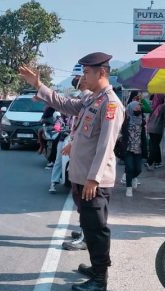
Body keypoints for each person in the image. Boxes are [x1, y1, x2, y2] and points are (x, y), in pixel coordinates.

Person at [19, 52, 124, 291]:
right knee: (88, 225)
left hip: (93, 180)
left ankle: (100, 279)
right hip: (81, 176)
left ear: (102, 73)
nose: (83, 76)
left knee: (97, 228)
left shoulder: (110, 104)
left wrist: (93, 178)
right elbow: (65, 104)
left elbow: (106, 145)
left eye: (87, 72)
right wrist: (39, 85)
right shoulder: (92, 100)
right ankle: (96, 267)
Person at [59, 72, 93, 251]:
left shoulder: (90, 99)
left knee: (83, 200)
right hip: (77, 150)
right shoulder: (85, 98)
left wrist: (73, 143)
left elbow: (88, 130)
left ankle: (85, 235)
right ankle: (83, 230)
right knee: (78, 196)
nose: (79, 84)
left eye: (80, 81)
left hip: (85, 158)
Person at [122, 91, 146, 197]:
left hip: (138, 149)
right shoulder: (125, 122)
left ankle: (134, 177)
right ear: (131, 109)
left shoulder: (142, 121)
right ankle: (128, 188)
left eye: (139, 108)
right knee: (129, 168)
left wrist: (142, 99)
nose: (138, 109)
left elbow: (148, 108)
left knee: (138, 169)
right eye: (136, 108)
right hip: (128, 148)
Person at [146, 94, 165, 170]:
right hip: (157, 129)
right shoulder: (163, 106)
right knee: (155, 146)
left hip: (151, 128)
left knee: (155, 145)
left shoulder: (154, 106)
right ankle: (149, 162)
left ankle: (158, 162)